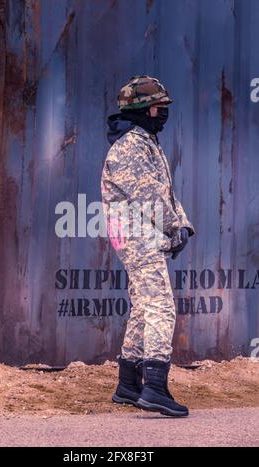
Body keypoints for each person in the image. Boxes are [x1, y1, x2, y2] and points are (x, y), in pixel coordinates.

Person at [101, 75, 196, 417]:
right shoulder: (130, 147)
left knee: (144, 305)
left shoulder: (143, 141)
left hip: (140, 234)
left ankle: (129, 383)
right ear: (144, 109)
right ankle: (155, 387)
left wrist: (180, 225)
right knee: (161, 306)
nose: (163, 112)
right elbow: (151, 198)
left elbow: (162, 191)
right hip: (138, 235)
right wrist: (175, 228)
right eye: (159, 106)